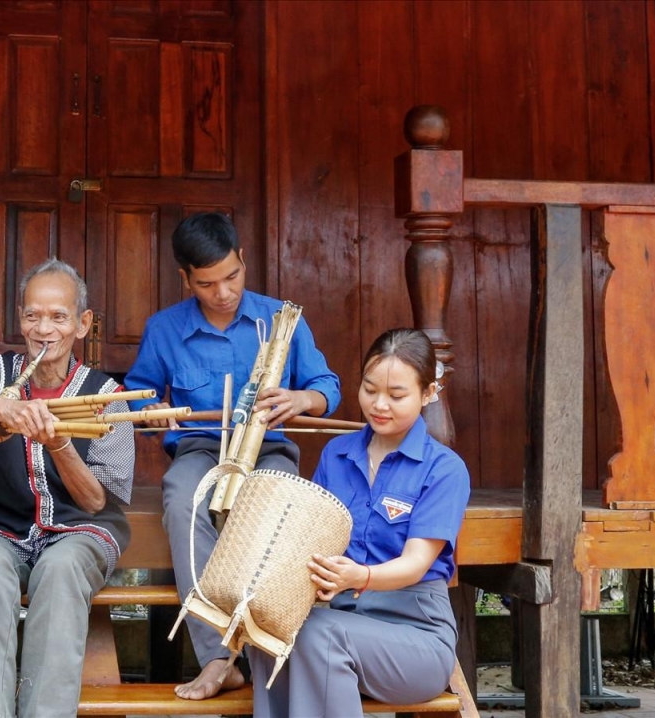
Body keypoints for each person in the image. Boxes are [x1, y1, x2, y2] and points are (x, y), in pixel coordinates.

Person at [124, 212, 342, 700]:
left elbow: (327, 387)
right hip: (202, 448)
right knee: (182, 498)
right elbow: (136, 394)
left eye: (232, 277)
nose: (222, 292)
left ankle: (276, 648)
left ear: (243, 260)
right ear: (186, 279)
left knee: (281, 509)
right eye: (206, 284)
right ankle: (218, 659)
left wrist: (303, 400)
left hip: (269, 450)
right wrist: (154, 409)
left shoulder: (282, 319)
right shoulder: (164, 329)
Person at [0, 258, 135, 718]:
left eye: (59, 317)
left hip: (80, 531)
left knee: (60, 569)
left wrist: (59, 446)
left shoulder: (107, 395)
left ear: (83, 323)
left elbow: (97, 501)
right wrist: (1, 409)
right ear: (20, 319)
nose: (45, 329)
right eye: (33, 316)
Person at [248, 328, 471, 717]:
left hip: (415, 634)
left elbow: (417, 563)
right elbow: (309, 543)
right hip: (338, 618)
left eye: (397, 395)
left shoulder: (444, 469)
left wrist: (358, 578)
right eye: (370, 390)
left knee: (319, 636)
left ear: (428, 393)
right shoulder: (337, 454)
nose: (379, 405)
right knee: (270, 633)